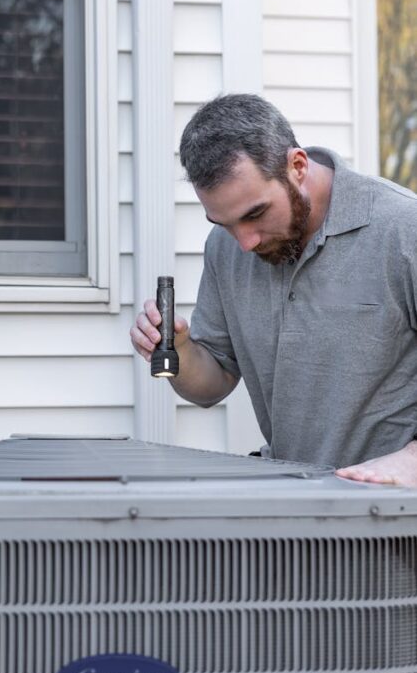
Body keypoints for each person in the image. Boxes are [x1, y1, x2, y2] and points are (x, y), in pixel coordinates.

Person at [130, 93, 417, 486]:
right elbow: (212, 383)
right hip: (293, 504)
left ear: (297, 166)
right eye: (224, 222)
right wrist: (178, 351)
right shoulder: (224, 247)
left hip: (393, 514)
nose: (245, 242)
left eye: (255, 214)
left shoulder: (403, 229)